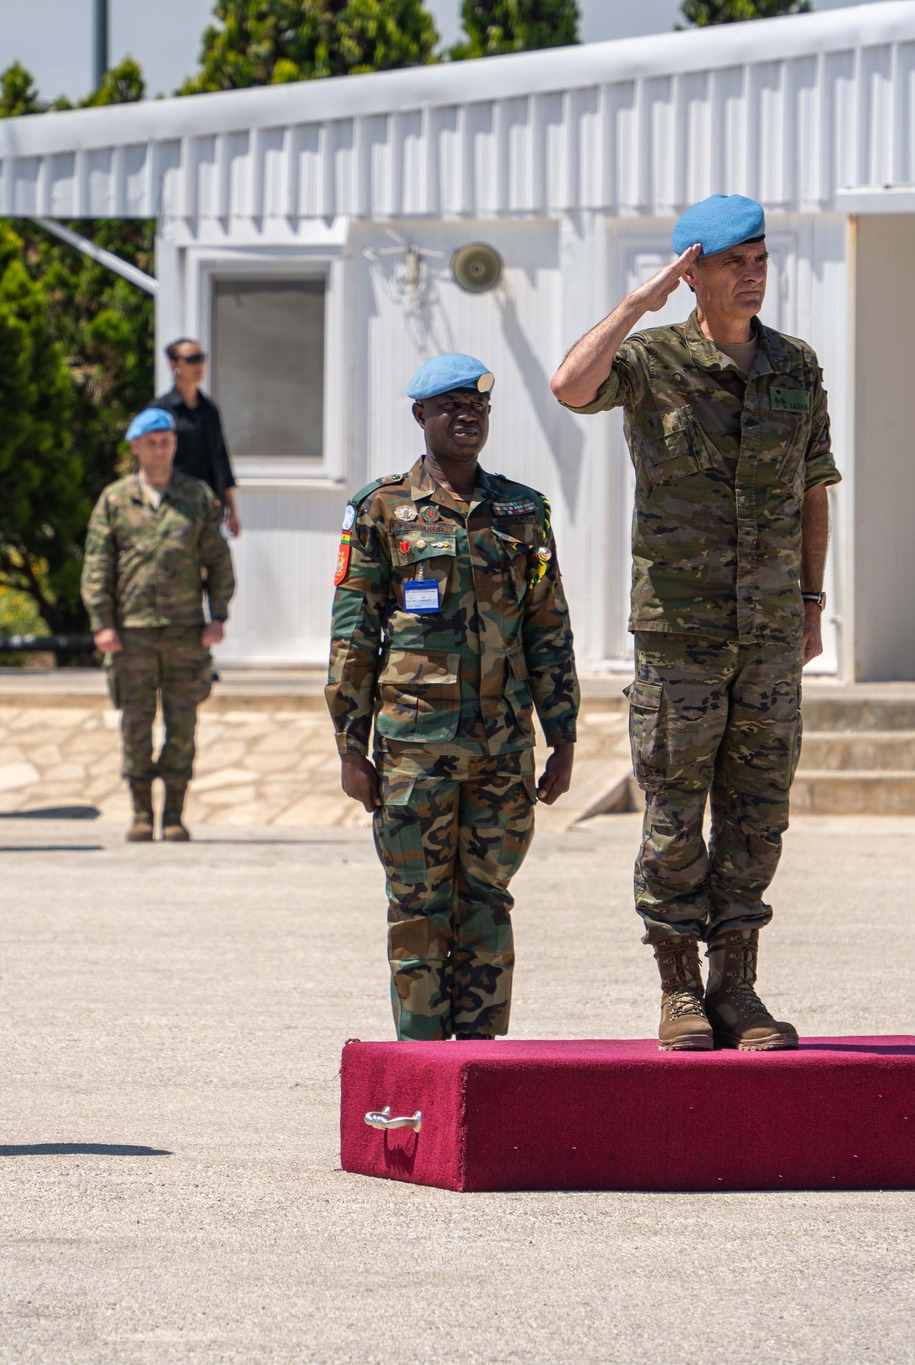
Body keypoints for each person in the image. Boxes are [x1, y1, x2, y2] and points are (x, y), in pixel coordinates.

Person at [551, 194, 839, 1054]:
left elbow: (813, 492)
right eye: (731, 261)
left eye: (760, 258)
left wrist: (813, 605)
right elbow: (570, 385)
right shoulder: (652, 361)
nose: (751, 274)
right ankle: (678, 988)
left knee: (757, 815)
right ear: (693, 272)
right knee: (674, 815)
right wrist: (642, 302)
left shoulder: (796, 367)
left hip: (770, 632)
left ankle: (737, 988)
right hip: (679, 632)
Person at [327, 353, 580, 1042]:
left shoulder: (522, 512)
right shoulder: (381, 509)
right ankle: (420, 1060)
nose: (468, 417)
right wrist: (351, 747)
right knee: (417, 905)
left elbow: (548, 627)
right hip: (414, 750)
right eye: (452, 407)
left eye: (479, 408)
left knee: (487, 905)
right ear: (421, 416)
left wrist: (564, 736)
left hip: (502, 748)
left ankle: (478, 1060)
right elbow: (355, 635)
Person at [82, 406, 236, 842]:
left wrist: (218, 615)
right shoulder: (114, 500)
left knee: (182, 724)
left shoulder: (197, 497)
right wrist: (102, 623)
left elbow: (217, 559)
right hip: (131, 633)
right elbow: (98, 565)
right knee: (135, 723)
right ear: (135, 447)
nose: (159, 448)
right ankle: (140, 813)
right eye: (150, 442)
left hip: (185, 631)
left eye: (165, 441)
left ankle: (173, 814)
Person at [150, 339, 241, 538]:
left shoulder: (210, 410)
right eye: (191, 359)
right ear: (173, 365)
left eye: (201, 358)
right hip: (174, 508)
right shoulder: (160, 410)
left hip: (209, 508)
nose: (198, 365)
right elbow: (149, 462)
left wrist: (233, 511)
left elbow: (221, 458)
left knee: (213, 567)